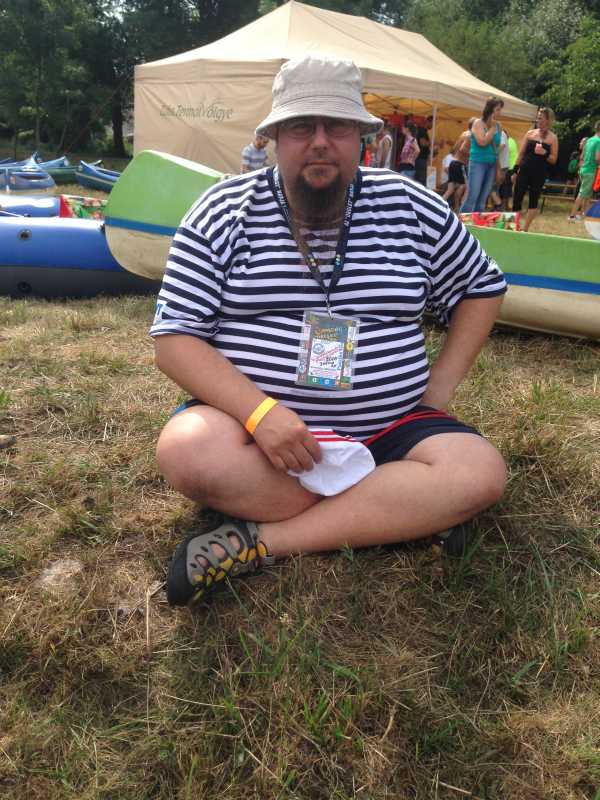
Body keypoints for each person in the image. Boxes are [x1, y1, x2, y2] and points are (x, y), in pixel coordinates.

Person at [150, 54, 508, 608]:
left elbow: (482, 286)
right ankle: (397, 512)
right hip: (256, 438)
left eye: (336, 126)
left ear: (360, 136)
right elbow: (175, 339)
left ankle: (260, 542)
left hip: (392, 430)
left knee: (480, 473)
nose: (319, 142)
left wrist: (438, 390)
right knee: (186, 451)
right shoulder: (221, 211)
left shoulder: (411, 206)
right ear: (273, 137)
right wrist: (261, 414)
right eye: (301, 127)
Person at [511, 108, 559, 231]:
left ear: (547, 120)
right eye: (537, 117)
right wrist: (515, 171)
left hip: (539, 173)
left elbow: (554, 159)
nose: (538, 120)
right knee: (517, 197)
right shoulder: (530, 133)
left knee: (533, 200)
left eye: (540, 118)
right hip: (525, 170)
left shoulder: (553, 138)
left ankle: (525, 229)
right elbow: (521, 153)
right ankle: (515, 227)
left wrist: (544, 153)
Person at [461, 98, 504, 213]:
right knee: (472, 196)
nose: (500, 112)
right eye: (498, 109)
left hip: (492, 164)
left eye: (500, 109)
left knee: (482, 199)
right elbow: (482, 142)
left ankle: (476, 223)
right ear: (490, 109)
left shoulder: (499, 126)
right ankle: (460, 221)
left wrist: (498, 168)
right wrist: (492, 128)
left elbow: (496, 149)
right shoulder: (478, 123)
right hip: (478, 163)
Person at [568, 121, 600, 221]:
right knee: (582, 194)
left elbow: (582, 156)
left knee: (587, 194)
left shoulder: (589, 140)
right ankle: (572, 216)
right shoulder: (599, 141)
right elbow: (597, 158)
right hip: (590, 171)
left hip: (584, 169)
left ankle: (584, 215)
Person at [442, 120, 473, 211]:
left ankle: (439, 204)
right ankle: (460, 208)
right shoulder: (470, 136)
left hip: (453, 162)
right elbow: (463, 149)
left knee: (450, 189)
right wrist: (471, 154)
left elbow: (454, 148)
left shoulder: (463, 134)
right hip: (460, 164)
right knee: (466, 186)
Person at [414, 116, 434, 185]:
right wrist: (432, 143)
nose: (432, 125)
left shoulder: (423, 131)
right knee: (421, 180)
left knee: (421, 179)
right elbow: (423, 143)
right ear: (428, 122)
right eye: (432, 123)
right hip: (421, 159)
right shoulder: (422, 131)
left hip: (421, 159)